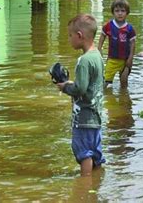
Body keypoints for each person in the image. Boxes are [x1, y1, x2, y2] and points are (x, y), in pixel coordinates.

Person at [57, 14, 105, 176]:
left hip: (83, 118)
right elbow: (92, 85)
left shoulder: (84, 61)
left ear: (79, 36)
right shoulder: (97, 55)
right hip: (96, 116)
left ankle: (85, 185)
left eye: (70, 36)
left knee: (84, 152)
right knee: (95, 152)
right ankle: (96, 184)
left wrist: (65, 87)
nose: (69, 39)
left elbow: (81, 89)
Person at [98, 0, 136, 88]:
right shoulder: (109, 26)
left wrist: (130, 58)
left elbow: (133, 44)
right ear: (113, 12)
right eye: (117, 11)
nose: (120, 13)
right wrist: (99, 48)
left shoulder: (130, 29)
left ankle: (123, 99)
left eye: (122, 11)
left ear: (127, 12)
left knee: (124, 82)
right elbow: (103, 35)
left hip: (125, 60)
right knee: (106, 82)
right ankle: (108, 99)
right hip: (112, 59)